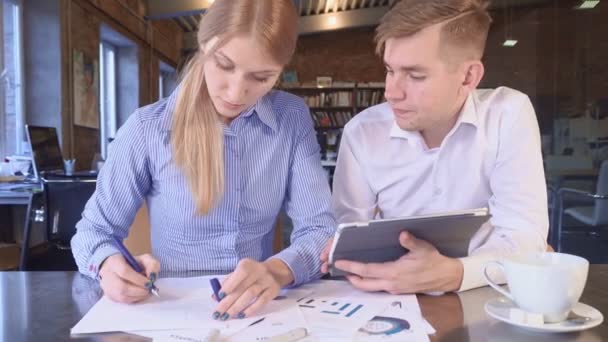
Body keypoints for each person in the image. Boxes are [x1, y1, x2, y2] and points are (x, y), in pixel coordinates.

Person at [72, 0, 335, 320]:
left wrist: (277, 271)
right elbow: (93, 231)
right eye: (224, 65)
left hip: (258, 315)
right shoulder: (147, 129)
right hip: (170, 314)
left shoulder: (291, 118)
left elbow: (320, 229)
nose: (237, 93)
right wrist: (106, 264)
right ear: (203, 44)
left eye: (262, 77)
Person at [321, 0, 548, 293]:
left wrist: (456, 274)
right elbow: (348, 238)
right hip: (387, 296)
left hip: (488, 294)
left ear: (468, 77)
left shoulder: (507, 114)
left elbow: (526, 237)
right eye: (390, 70)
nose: (391, 92)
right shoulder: (362, 133)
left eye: (415, 76)